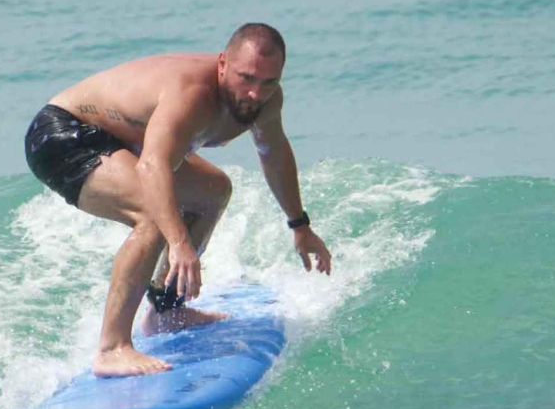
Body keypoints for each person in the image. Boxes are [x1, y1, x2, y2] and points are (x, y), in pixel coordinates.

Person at [24, 22, 333, 376]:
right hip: (64, 135)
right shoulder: (192, 94)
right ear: (222, 64)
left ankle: (166, 312)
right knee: (154, 217)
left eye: (268, 82)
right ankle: (111, 349)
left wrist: (299, 225)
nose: (254, 93)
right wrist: (178, 242)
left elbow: (273, 153)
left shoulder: (265, 102)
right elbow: (153, 166)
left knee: (214, 191)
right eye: (246, 78)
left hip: (123, 140)